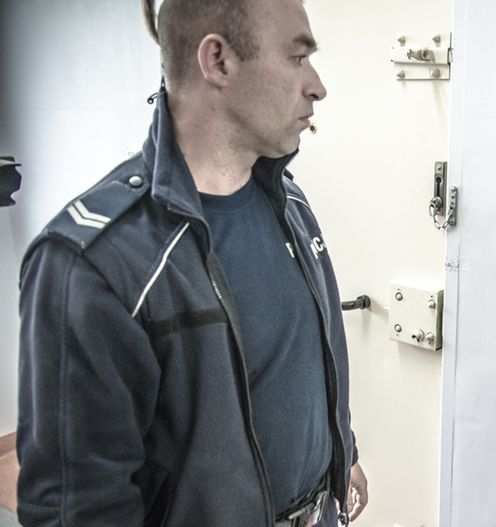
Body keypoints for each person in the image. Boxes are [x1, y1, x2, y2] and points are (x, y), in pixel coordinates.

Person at [17, 0, 368, 525]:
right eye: (298, 58)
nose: (317, 86)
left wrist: (343, 456)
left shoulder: (289, 205)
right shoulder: (94, 263)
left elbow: (301, 365)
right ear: (218, 61)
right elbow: (80, 506)